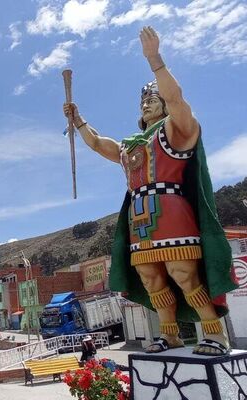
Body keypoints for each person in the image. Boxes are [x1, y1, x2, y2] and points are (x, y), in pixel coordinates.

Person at [63, 26, 236, 356]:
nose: (147, 103)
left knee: (183, 274)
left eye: (152, 99)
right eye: (143, 100)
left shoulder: (176, 130)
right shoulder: (130, 146)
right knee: (152, 279)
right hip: (139, 219)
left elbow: (176, 98)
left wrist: (154, 59)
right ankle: (169, 335)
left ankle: (214, 334)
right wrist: (79, 119)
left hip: (171, 210)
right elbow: (99, 143)